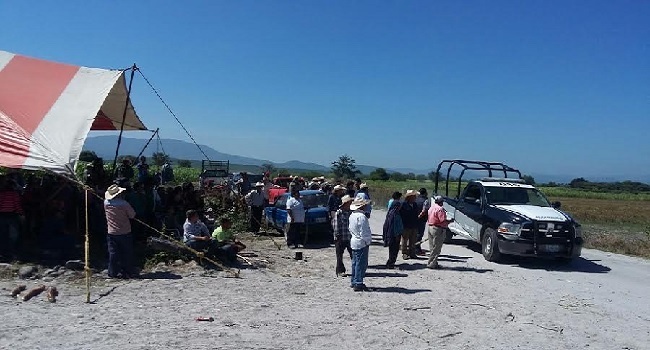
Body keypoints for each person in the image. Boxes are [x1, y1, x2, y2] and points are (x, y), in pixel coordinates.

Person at [104, 184, 137, 279]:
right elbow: (132, 215)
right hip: (124, 231)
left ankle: (112, 272)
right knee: (126, 253)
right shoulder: (124, 203)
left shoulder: (106, 203)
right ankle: (127, 271)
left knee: (113, 253)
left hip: (111, 232)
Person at [349, 197, 372, 292]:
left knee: (355, 262)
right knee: (361, 263)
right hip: (361, 242)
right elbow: (364, 231)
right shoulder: (362, 217)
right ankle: (358, 282)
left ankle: (354, 280)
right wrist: (367, 241)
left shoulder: (352, 215)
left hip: (354, 240)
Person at [0, 175, 24, 261]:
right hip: (12, 216)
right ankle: (11, 253)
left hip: (2, 215)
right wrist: (21, 215)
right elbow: (17, 206)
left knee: (3, 235)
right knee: (13, 236)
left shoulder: (1, 194)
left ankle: (3, 253)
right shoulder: (14, 195)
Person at [427, 196, 454, 269]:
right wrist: (450, 221)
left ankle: (434, 262)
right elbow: (442, 220)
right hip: (438, 229)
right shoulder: (440, 209)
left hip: (430, 227)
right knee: (437, 247)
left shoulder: (431, 207)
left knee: (432, 247)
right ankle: (431, 264)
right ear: (441, 202)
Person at [332, 195, 354, 277]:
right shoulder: (339, 213)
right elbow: (335, 225)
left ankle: (356, 269)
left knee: (353, 254)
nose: (351, 204)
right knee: (339, 256)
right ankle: (340, 271)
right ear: (345, 204)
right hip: (340, 237)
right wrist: (337, 236)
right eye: (349, 203)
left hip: (349, 237)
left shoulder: (351, 213)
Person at [383, 200, 403, 269]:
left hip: (396, 235)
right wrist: (396, 235)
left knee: (394, 250)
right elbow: (393, 226)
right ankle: (391, 263)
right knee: (393, 250)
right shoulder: (393, 214)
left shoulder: (396, 213)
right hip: (394, 235)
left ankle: (391, 262)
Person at [400, 190, 420, 259]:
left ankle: (412, 253)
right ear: (409, 197)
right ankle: (405, 253)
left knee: (413, 240)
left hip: (414, 225)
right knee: (405, 240)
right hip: (406, 225)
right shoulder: (403, 204)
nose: (415, 198)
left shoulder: (415, 205)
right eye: (413, 196)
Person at [415, 188, 430, 255]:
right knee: (419, 234)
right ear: (425, 193)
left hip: (414, 219)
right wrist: (419, 216)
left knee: (414, 234)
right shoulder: (426, 201)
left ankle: (413, 248)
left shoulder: (416, 199)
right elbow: (424, 211)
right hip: (421, 219)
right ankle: (417, 249)